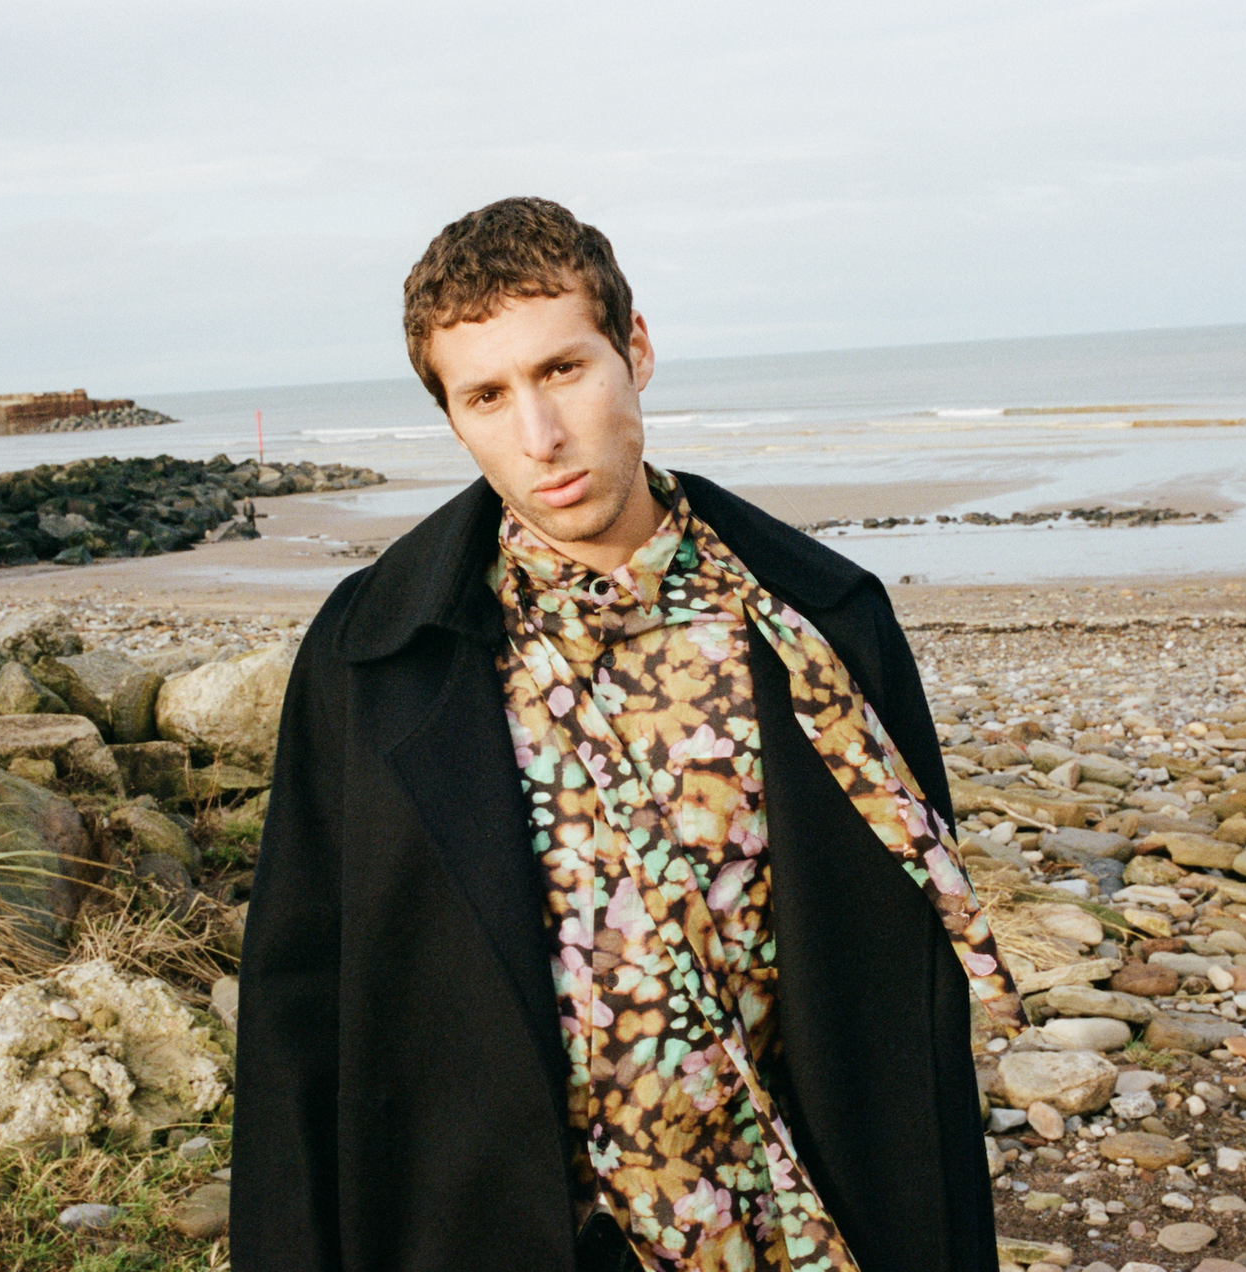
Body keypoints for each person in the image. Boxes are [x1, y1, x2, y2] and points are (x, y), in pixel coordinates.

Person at [231, 196, 1022, 1272]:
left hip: (799, 1225)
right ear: (454, 418)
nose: (539, 436)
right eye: (486, 395)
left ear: (634, 350)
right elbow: (296, 1010)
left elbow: (911, 1007)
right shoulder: (372, 655)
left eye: (562, 370)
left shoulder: (823, 626)